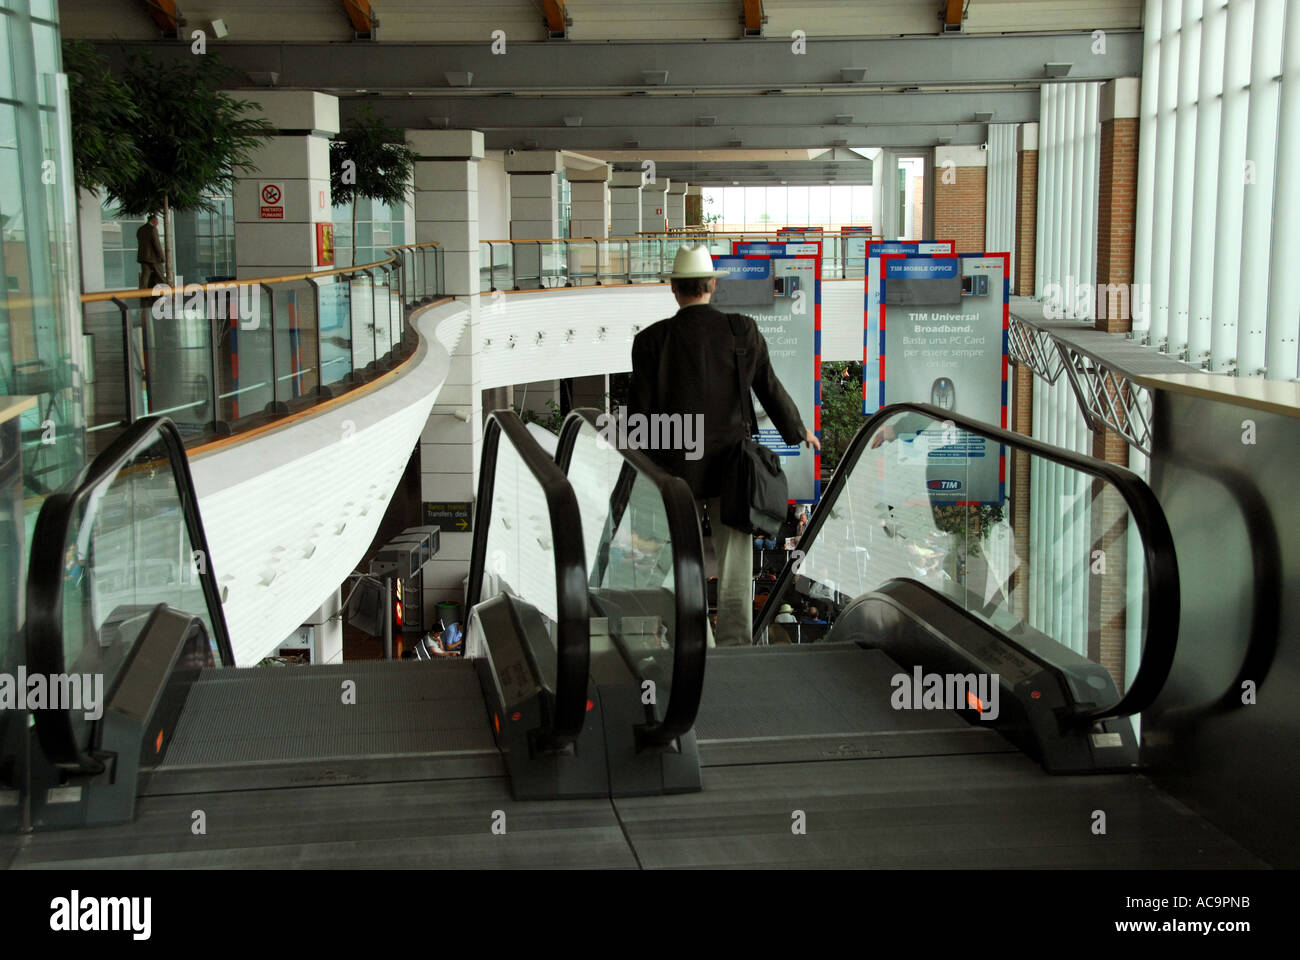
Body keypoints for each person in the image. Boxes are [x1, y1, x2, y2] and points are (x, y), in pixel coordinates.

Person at [629, 244, 819, 647]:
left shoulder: (650, 342)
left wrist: (636, 475)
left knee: (681, 561)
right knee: (735, 565)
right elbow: (768, 386)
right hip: (732, 470)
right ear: (713, 285)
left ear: (673, 288)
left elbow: (639, 418)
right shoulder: (741, 331)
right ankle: (734, 645)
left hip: (672, 470)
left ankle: (698, 642)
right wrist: (798, 430)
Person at [136, 214, 166, 290]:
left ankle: (144, 295)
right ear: (153, 220)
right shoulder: (153, 229)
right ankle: (166, 293)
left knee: (145, 277)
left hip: (143, 257)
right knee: (160, 276)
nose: (158, 223)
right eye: (157, 221)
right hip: (153, 258)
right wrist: (162, 257)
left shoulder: (140, 229)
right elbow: (157, 244)